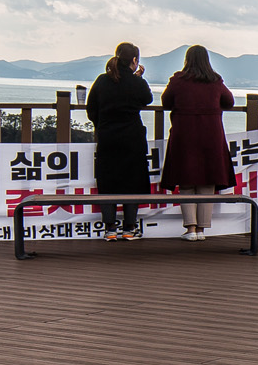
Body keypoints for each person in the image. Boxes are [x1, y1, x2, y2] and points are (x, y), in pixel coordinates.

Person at [160, 45, 236, 242]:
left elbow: (166, 102)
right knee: (207, 182)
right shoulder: (215, 80)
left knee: (186, 182)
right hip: (211, 136)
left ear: (187, 60)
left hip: (184, 135)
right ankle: (202, 229)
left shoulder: (178, 80)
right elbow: (229, 101)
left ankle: (191, 228)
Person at [86, 42, 153, 240]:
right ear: (134, 60)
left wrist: (102, 124)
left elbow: (91, 109)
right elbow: (147, 99)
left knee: (108, 181)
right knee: (132, 181)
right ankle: (130, 228)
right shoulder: (137, 82)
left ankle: (110, 229)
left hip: (108, 137)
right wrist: (138, 78)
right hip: (132, 138)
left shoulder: (102, 80)